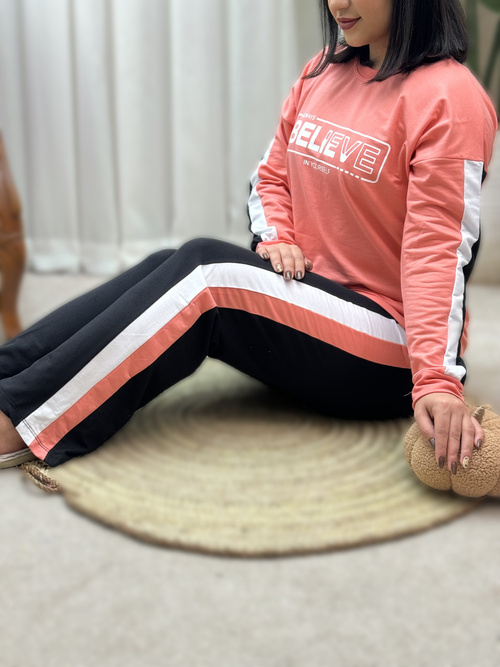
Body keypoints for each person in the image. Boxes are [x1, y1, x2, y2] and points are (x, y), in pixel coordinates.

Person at [0, 0, 497, 473]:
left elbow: (438, 251)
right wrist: (277, 235)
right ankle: (8, 371)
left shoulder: (449, 98)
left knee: (207, 271)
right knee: (168, 262)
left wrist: (436, 380)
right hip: (311, 304)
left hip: (389, 346)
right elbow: (271, 176)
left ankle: (26, 418)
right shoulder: (325, 70)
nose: (337, 4)